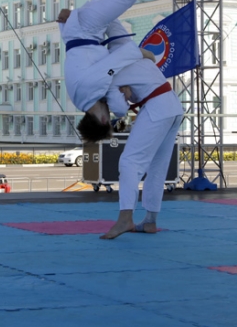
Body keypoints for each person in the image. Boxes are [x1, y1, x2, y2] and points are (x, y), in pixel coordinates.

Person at [77, 20, 184, 240]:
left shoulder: (103, 78)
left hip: (156, 107)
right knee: (157, 165)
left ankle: (126, 218)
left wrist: (122, 94)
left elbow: (120, 109)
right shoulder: (122, 46)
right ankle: (150, 221)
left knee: (129, 162)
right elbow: (112, 22)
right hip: (173, 105)